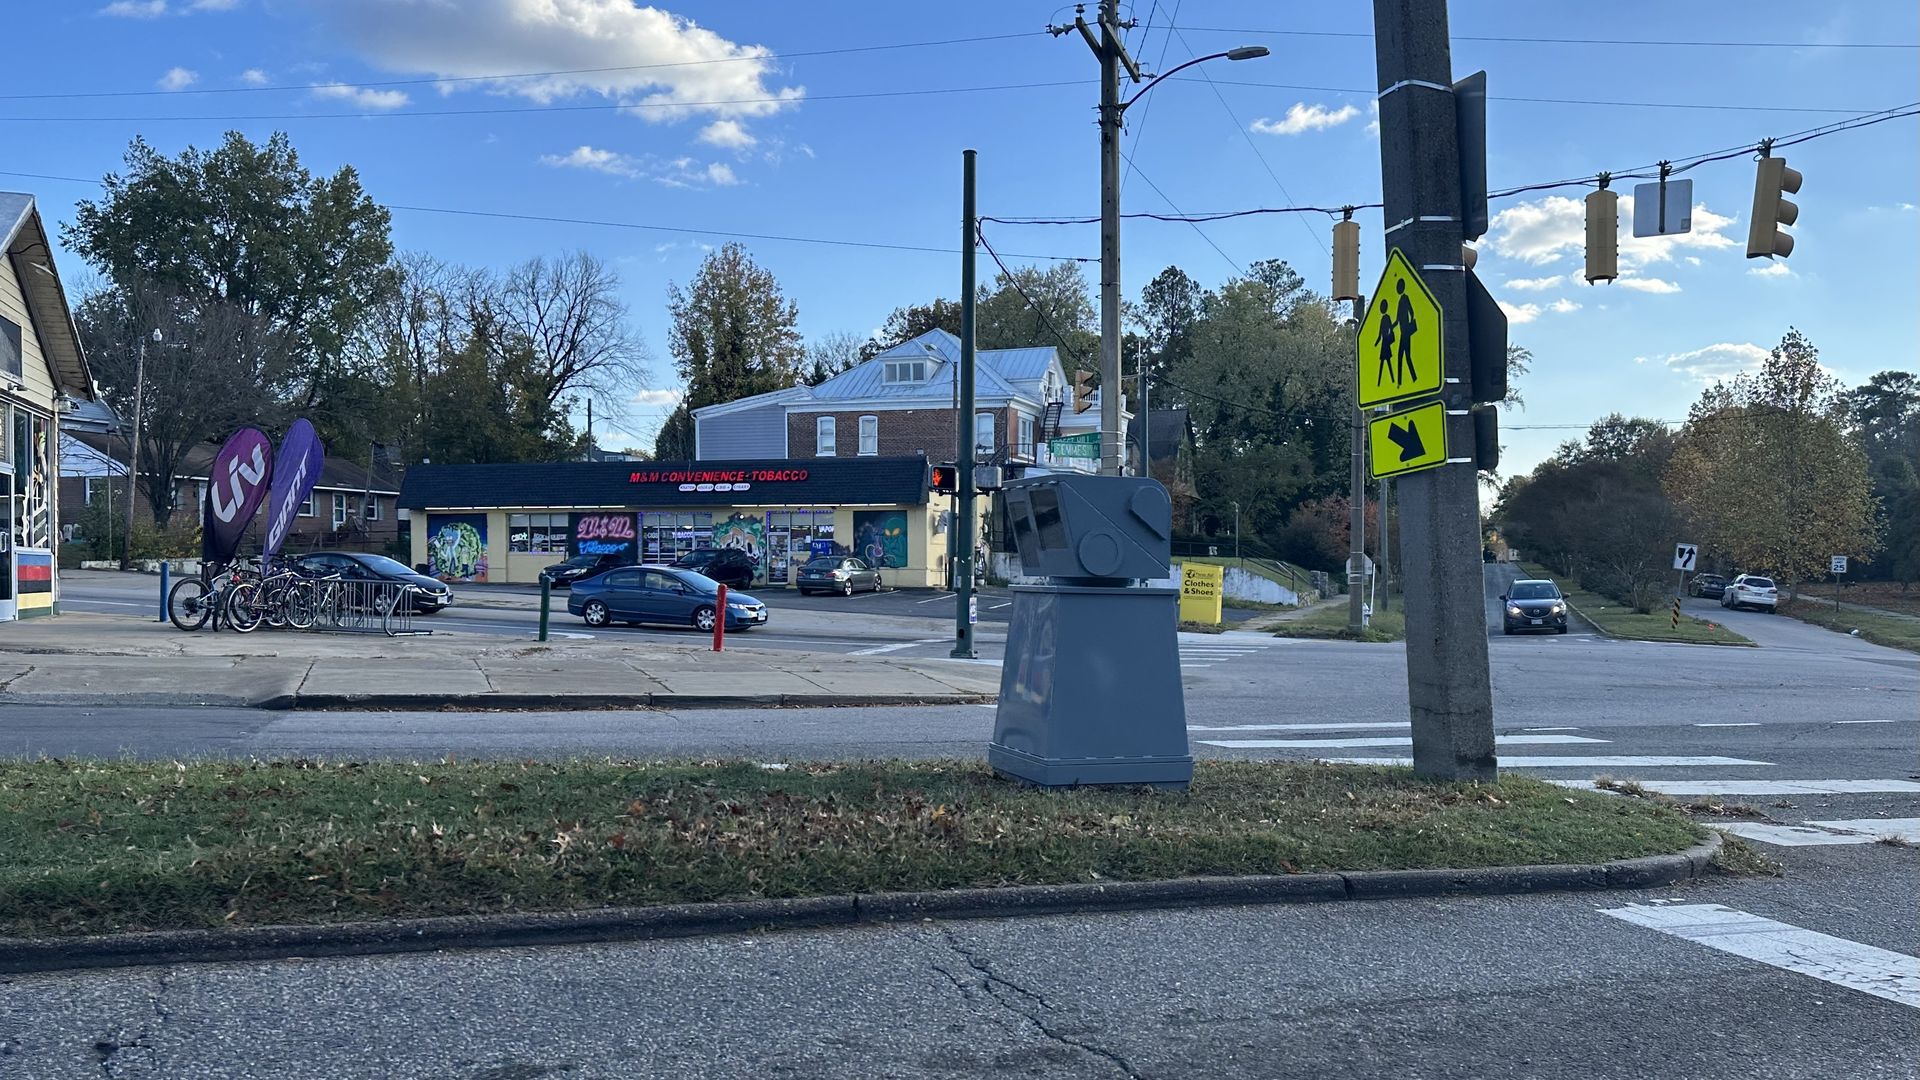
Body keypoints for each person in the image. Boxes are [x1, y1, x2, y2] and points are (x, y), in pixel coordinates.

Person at [1394, 278, 1420, 384]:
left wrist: (1410, 323)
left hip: (1405, 332)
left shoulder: (1405, 298)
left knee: (1403, 356)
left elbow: (1412, 311)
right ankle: (1411, 378)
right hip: (1403, 332)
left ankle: (1406, 380)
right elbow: (1397, 319)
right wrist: (1392, 327)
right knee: (1405, 356)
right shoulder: (1400, 300)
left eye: (1399, 287)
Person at [1374, 297, 1397, 387]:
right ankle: (1380, 382)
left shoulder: (1387, 318)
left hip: (1386, 343)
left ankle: (1391, 380)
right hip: (1384, 343)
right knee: (1383, 363)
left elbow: (1390, 328)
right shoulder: (1383, 319)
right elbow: (1380, 333)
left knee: (1386, 362)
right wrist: (1375, 343)